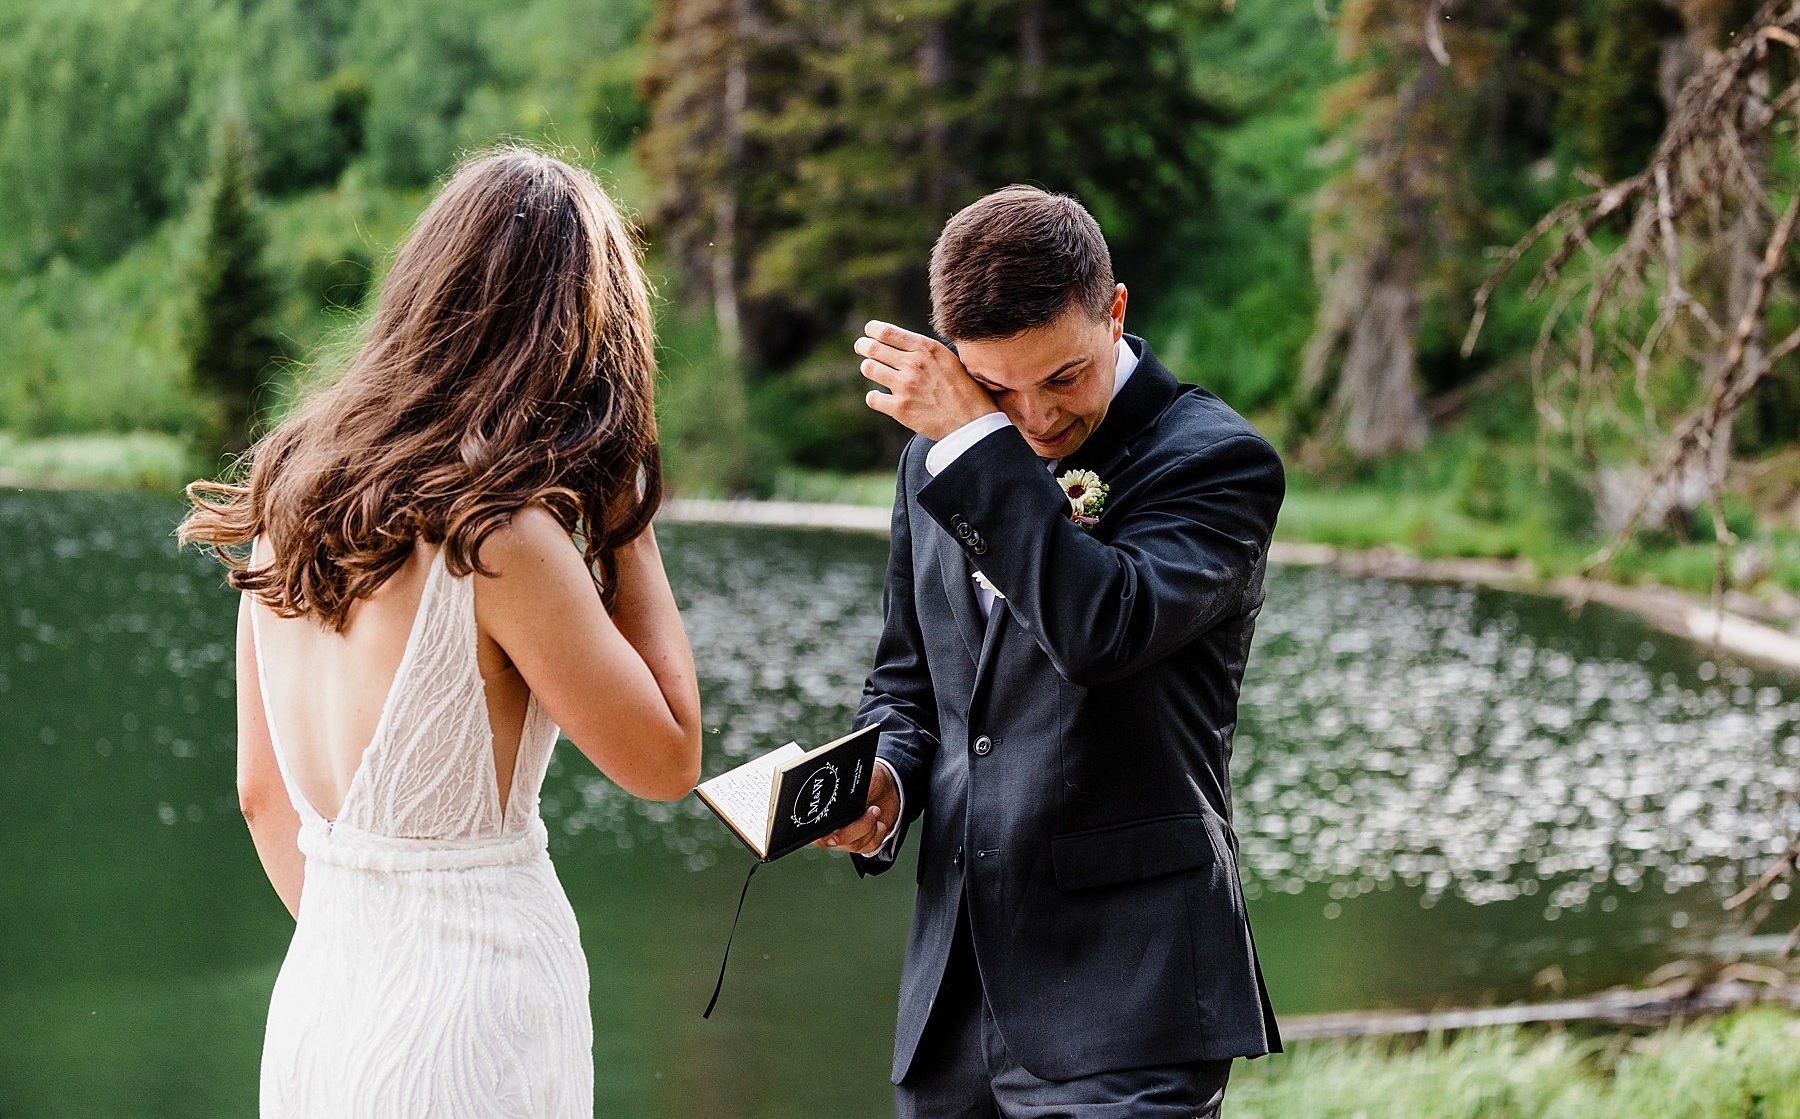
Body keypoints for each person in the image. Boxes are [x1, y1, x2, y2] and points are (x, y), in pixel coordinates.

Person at [177, 148, 703, 1119]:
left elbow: (263, 798)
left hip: (324, 1003)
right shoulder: (499, 537)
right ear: (582, 344)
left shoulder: (290, 491)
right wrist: (628, 502)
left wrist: (376, 953)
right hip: (473, 1021)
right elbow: (668, 755)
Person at [816, 184, 1285, 1118]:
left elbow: (1101, 628)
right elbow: (912, 681)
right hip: (953, 1002)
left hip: (1132, 1000)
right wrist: (885, 781)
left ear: (1114, 311)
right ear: (954, 360)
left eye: (1063, 377)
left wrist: (977, 434)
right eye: (995, 388)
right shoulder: (931, 460)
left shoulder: (1214, 461)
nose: (1032, 417)